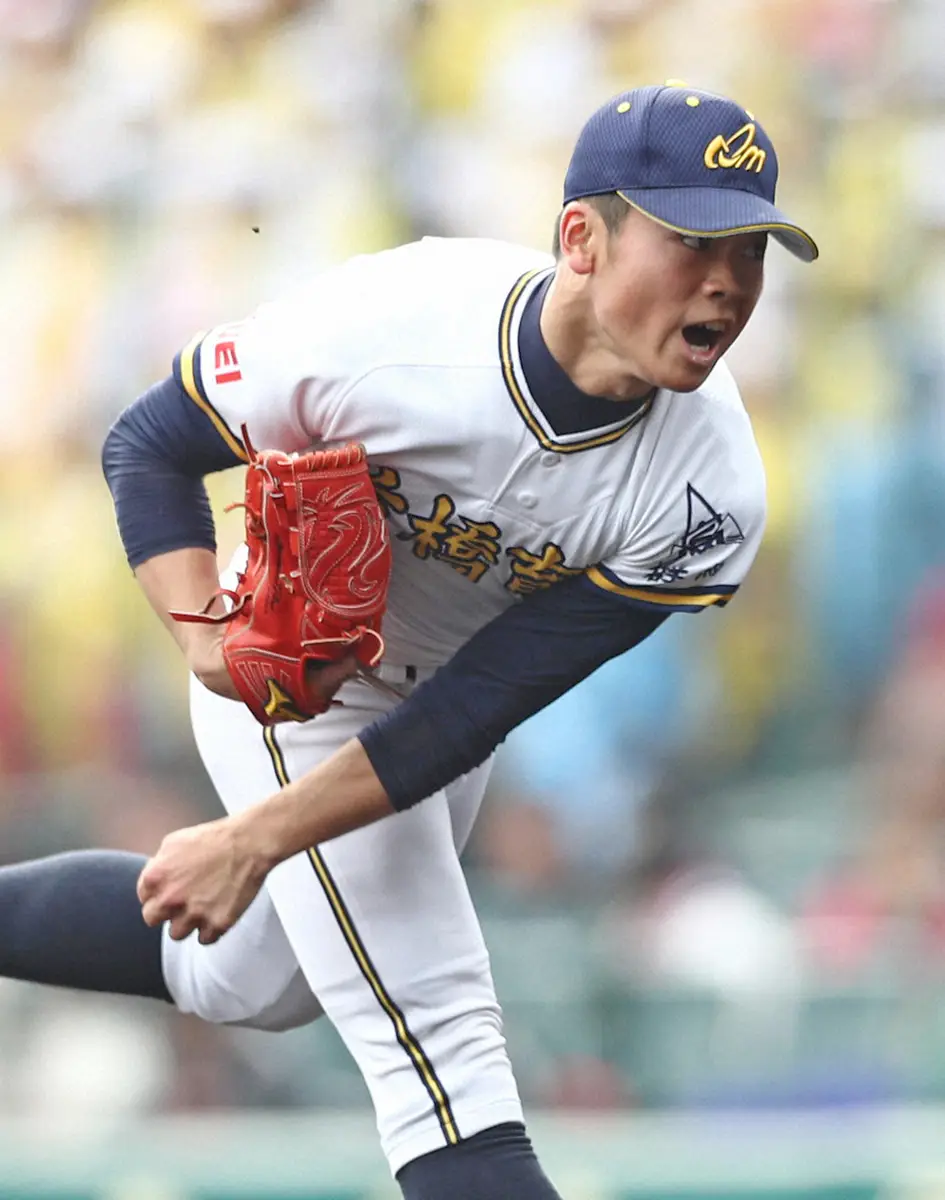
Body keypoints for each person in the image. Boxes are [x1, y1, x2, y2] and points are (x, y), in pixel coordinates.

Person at [0, 83, 816, 1199]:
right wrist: (205, 643)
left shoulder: (708, 493)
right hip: (300, 681)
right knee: (442, 1050)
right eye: (689, 240)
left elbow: (477, 706)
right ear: (582, 236)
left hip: (443, 706)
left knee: (255, 979)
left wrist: (259, 840)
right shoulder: (393, 330)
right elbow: (150, 442)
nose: (729, 281)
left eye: (752, 250)